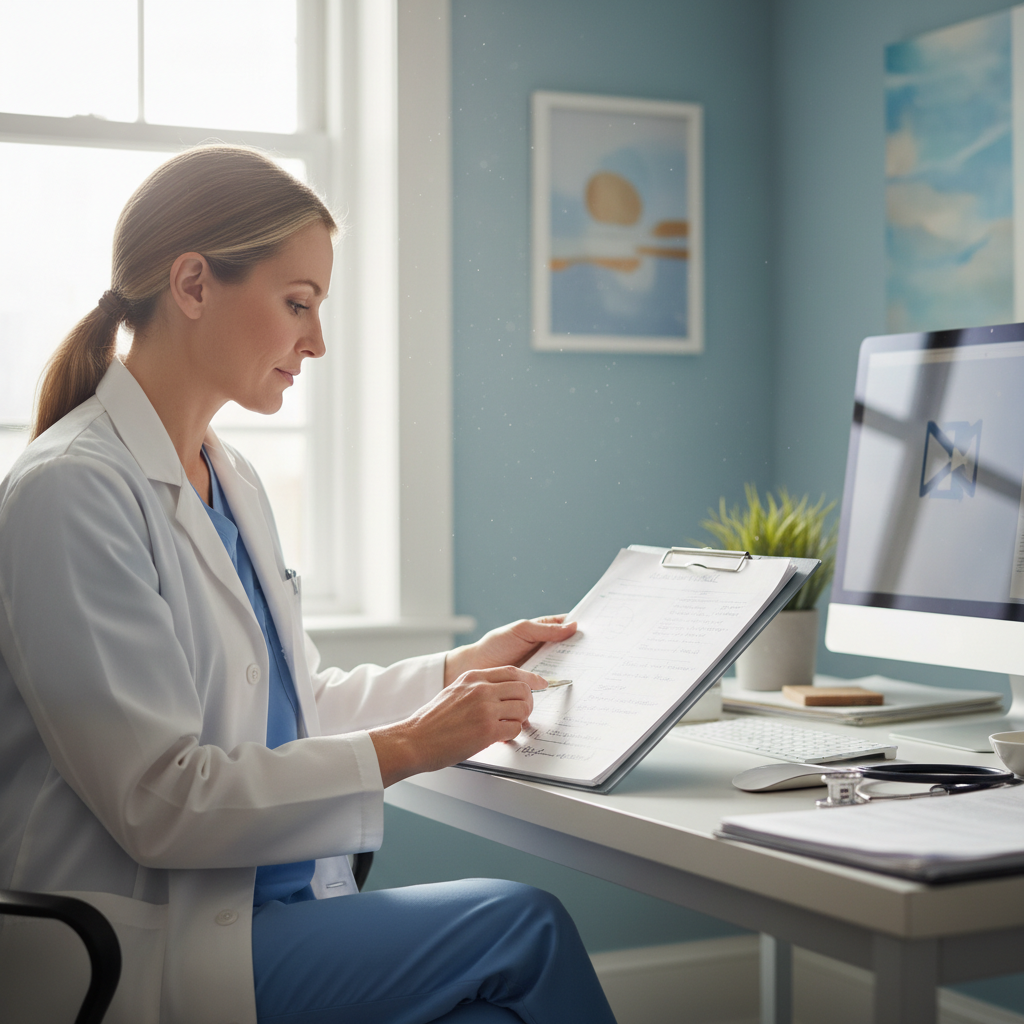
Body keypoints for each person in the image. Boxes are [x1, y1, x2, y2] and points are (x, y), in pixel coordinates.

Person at [0, 146, 617, 1024]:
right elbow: (160, 799)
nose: (316, 342)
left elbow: (292, 707)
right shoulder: (71, 490)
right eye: (298, 304)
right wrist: (412, 746)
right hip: (154, 947)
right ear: (193, 284)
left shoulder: (229, 476)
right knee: (524, 927)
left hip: (270, 917)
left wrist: (458, 673)